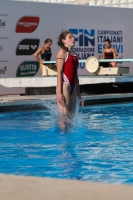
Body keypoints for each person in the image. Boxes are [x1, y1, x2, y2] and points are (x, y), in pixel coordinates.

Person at [56, 30, 84, 129]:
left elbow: (76, 76)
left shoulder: (75, 55)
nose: (73, 39)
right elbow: (59, 72)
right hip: (65, 85)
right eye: (70, 37)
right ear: (64, 41)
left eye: (73, 37)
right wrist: (59, 93)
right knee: (64, 116)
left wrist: (79, 95)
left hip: (73, 87)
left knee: (71, 118)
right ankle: (61, 141)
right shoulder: (61, 53)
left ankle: (69, 142)